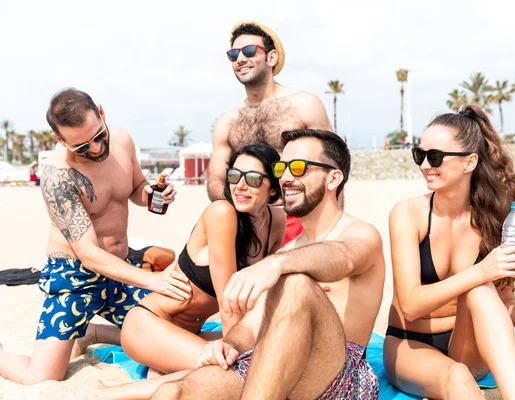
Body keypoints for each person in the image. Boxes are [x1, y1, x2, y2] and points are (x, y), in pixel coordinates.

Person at [142, 129, 384, 400]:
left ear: (333, 178)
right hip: (277, 363)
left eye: (300, 168)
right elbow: (253, 323)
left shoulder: (360, 234)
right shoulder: (290, 249)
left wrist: (276, 265)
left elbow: (345, 257)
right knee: (172, 392)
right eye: (282, 168)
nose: (287, 177)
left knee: (296, 284)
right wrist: (230, 344)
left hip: (339, 378)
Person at [0, 88, 192, 385]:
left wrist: (153, 195)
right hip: (74, 277)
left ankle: (93, 333)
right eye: (81, 146)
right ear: (60, 140)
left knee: (174, 331)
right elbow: (88, 253)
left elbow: (135, 187)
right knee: (41, 379)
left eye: (99, 136)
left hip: (122, 268)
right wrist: (153, 279)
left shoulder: (123, 141)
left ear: (101, 113)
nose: (95, 148)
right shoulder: (57, 175)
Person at [384, 105, 515, 399]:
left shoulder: (495, 220)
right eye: (420, 155)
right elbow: (411, 305)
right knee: (457, 379)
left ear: (470, 163)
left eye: (436, 156)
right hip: (409, 343)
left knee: (480, 291)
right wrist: (481, 272)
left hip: (466, 343)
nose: (425, 165)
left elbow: (500, 307)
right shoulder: (408, 214)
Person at [119, 143, 286, 374]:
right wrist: (236, 351)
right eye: (235, 176)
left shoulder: (276, 221)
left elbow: (265, 292)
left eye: (254, 179)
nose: (241, 186)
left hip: (192, 333)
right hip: (151, 324)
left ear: (273, 189)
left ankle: (157, 366)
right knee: (230, 369)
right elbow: (228, 305)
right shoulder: (222, 213)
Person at [207, 20, 333, 245]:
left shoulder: (305, 105)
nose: (240, 59)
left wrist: (333, 228)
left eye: (249, 51)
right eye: (234, 54)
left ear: (271, 58)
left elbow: (332, 167)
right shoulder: (228, 121)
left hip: (299, 218)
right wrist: (252, 206)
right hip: (249, 225)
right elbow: (216, 183)